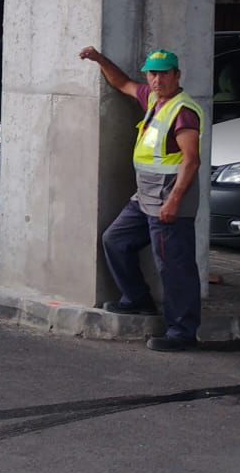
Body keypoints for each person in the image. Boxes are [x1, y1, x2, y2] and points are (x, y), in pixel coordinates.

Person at [80, 46, 206, 353]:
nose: (157, 79)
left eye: (164, 73)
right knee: (115, 239)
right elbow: (122, 83)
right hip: (145, 196)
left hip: (168, 199)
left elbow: (191, 161)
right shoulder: (152, 99)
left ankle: (182, 332)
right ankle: (137, 299)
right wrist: (99, 59)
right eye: (152, 73)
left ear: (177, 75)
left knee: (175, 267)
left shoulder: (183, 110)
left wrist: (174, 201)